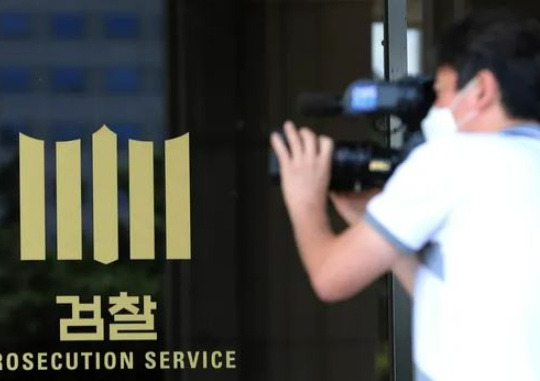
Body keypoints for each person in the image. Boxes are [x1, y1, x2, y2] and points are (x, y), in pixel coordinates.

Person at [270, 10, 540, 381]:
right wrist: (379, 227)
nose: (439, 107)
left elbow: (330, 278)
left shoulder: (452, 160)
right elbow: (458, 301)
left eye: (442, 93)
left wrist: (304, 198)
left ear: (481, 89)